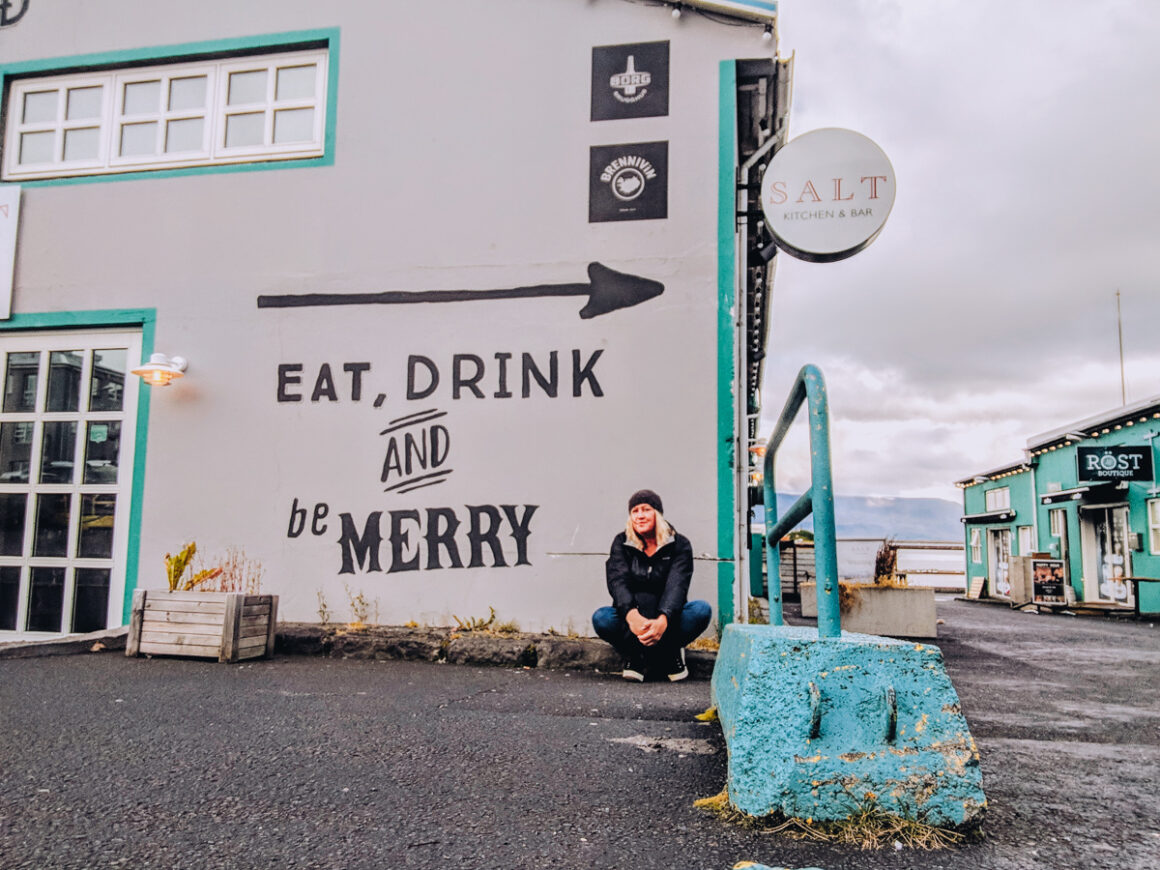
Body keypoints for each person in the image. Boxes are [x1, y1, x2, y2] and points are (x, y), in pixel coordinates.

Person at [591, 489, 712, 681]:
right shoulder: (621, 542)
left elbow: (677, 585)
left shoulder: (679, 544)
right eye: (635, 511)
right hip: (634, 619)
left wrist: (663, 621)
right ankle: (636, 655)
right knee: (602, 618)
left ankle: (670, 651)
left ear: (657, 513)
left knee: (701, 611)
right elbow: (617, 581)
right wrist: (632, 617)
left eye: (645, 509)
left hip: (669, 620)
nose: (640, 516)